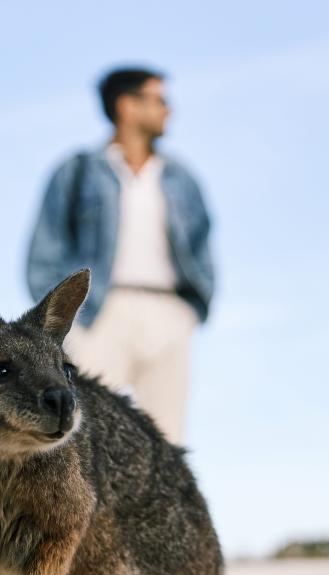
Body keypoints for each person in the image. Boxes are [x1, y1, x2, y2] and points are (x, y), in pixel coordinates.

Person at [25, 65, 216, 445]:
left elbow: (201, 245)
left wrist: (191, 310)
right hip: (98, 312)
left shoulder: (181, 177)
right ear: (127, 106)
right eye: (158, 100)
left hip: (169, 310)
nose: (168, 109)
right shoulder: (78, 171)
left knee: (167, 442)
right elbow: (44, 250)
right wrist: (61, 318)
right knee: (85, 435)